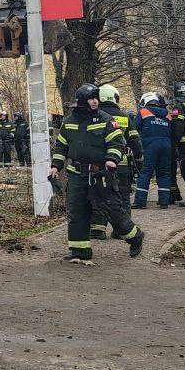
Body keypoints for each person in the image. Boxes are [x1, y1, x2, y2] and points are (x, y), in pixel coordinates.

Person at [50, 84, 143, 264]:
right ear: (83, 101)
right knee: (77, 213)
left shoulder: (106, 119)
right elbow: (61, 146)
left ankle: (135, 236)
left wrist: (111, 160)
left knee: (112, 210)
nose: (95, 102)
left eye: (96, 98)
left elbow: (117, 143)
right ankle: (80, 250)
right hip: (77, 174)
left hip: (101, 174)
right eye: (91, 98)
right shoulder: (68, 122)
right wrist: (56, 165)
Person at [98, 85, 141, 233]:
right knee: (122, 197)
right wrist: (139, 157)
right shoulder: (124, 116)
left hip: (100, 165)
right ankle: (122, 230)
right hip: (121, 165)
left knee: (99, 196)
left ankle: (98, 229)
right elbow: (134, 140)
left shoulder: (95, 115)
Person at [133, 92, 173, 208]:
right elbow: (171, 130)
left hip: (150, 145)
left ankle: (140, 202)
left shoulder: (143, 112)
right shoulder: (167, 114)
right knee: (164, 173)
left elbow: (136, 127)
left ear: (145, 101)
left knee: (146, 172)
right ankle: (164, 202)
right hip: (166, 145)